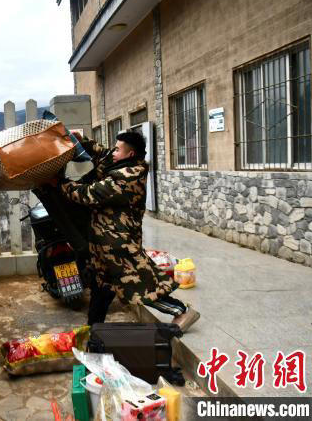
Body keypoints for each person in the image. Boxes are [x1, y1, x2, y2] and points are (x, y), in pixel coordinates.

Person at [50, 131, 200, 332]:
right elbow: (103, 154)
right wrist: (80, 140)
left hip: (119, 247)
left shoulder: (128, 178)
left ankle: (182, 310)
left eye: (118, 149)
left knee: (141, 288)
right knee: (101, 290)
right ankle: (92, 332)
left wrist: (59, 183)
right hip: (104, 247)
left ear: (130, 154)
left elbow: (87, 194)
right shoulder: (122, 163)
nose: (113, 151)